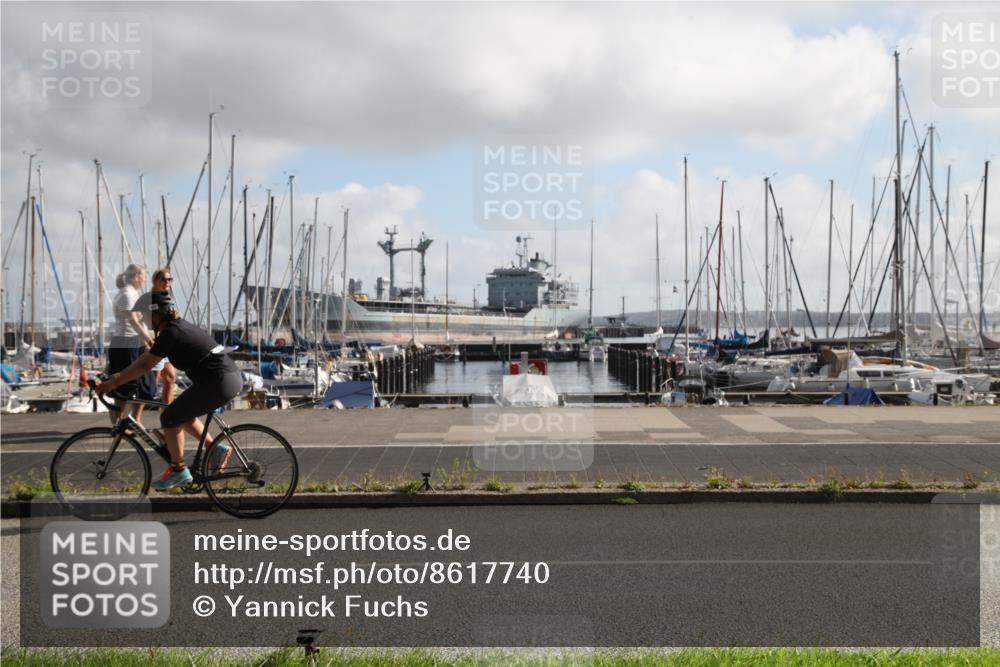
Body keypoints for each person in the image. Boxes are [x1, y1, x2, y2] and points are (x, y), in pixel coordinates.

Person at [97, 291, 243, 490]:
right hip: (223, 379)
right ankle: (215, 449)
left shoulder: (171, 333)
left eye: (144, 314)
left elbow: (144, 365)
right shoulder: (176, 328)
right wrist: (118, 378)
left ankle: (178, 471)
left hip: (219, 381)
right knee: (179, 413)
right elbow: (145, 363)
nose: (143, 319)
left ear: (157, 314)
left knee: (169, 417)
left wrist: (114, 381)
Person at [108, 264, 156, 424]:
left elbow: (138, 320)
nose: (145, 279)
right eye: (144, 275)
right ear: (136, 276)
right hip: (125, 343)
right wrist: (149, 340)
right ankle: (119, 424)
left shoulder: (132, 293)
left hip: (134, 342)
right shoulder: (127, 294)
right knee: (123, 387)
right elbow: (133, 321)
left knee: (144, 385)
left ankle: (133, 420)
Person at [133, 268, 177, 404]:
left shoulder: (167, 297)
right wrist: (147, 339)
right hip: (153, 342)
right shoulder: (147, 298)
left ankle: (168, 411)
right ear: (155, 281)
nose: (167, 282)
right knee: (151, 381)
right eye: (163, 279)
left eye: (169, 279)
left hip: (166, 341)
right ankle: (136, 417)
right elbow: (136, 320)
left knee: (170, 378)